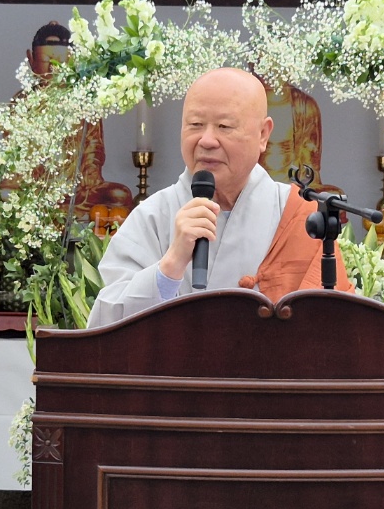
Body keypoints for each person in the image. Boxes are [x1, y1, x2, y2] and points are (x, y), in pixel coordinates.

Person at [88, 67, 352, 328]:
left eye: (224, 126)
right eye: (195, 125)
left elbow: (338, 328)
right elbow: (105, 326)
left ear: (263, 134)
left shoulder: (299, 217)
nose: (207, 140)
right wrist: (171, 265)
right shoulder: (152, 216)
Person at [13, 21, 133, 217]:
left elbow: (94, 145)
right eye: (45, 61)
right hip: (36, 187)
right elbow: (14, 154)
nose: (53, 70)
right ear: (31, 60)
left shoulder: (84, 102)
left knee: (120, 196)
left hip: (78, 190)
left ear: (72, 62)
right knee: (8, 195)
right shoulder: (22, 102)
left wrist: (91, 173)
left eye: (60, 63)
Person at [258, 79, 341, 193]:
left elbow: (310, 169)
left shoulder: (305, 106)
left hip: (293, 187)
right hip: (255, 188)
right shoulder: (245, 105)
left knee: (335, 195)